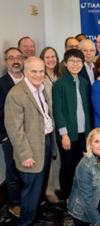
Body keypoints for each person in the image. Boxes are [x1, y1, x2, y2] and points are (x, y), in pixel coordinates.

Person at [4, 57, 57, 225]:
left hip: (46, 142)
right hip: (30, 149)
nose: (38, 75)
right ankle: (26, 222)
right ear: (25, 72)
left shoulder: (41, 88)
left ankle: (37, 215)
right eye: (34, 71)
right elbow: (14, 129)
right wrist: (25, 154)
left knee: (40, 185)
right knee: (31, 190)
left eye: (41, 71)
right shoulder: (16, 94)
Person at [52, 49, 92, 201]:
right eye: (72, 61)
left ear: (82, 64)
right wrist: (64, 135)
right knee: (68, 167)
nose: (75, 64)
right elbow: (58, 111)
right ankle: (67, 197)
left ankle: (80, 195)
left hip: (83, 133)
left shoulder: (83, 82)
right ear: (65, 63)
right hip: (68, 135)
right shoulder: (59, 84)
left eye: (78, 61)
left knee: (82, 167)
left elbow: (86, 110)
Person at [0, 47, 24, 218]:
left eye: (18, 57)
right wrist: (4, 135)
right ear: (6, 62)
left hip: (29, 135)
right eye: (11, 58)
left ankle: (28, 200)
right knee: (13, 171)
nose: (16, 60)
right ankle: (15, 203)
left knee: (28, 169)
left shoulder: (29, 80)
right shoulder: (1, 84)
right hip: (10, 135)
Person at [39, 46, 61, 204]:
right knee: (51, 157)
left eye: (53, 56)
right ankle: (49, 191)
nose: (51, 59)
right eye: (47, 57)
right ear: (42, 59)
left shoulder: (60, 75)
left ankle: (57, 186)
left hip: (61, 122)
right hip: (47, 124)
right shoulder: (40, 77)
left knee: (59, 155)